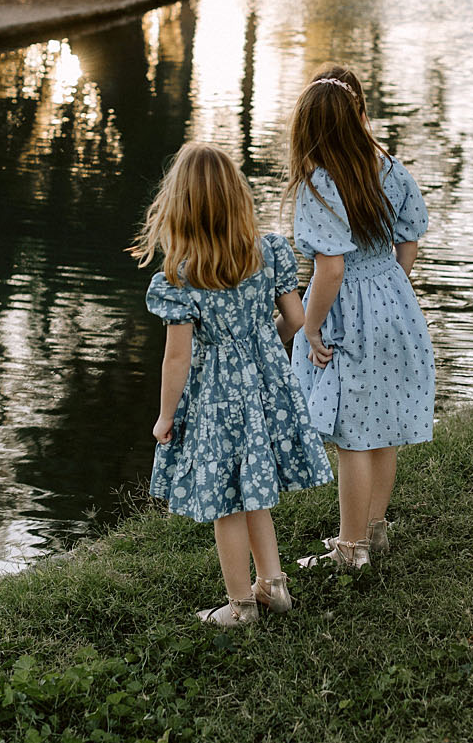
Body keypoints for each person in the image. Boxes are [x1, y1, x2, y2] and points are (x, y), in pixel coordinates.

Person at [134, 142, 331, 627]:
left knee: (227, 501)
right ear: (237, 197)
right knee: (255, 491)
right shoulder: (267, 252)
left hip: (217, 400)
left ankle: (241, 606)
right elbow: (295, 318)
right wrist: (264, 346)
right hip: (265, 386)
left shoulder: (184, 275)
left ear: (179, 205)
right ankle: (274, 584)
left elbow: (177, 357)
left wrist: (164, 417)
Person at [286, 65, 437, 571]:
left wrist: (309, 325)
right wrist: (392, 283)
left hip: (347, 307)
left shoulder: (320, 184)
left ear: (310, 130)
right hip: (393, 297)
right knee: (383, 427)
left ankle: (351, 550)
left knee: (353, 433)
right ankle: (374, 529)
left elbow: (329, 269)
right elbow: (410, 236)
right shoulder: (389, 167)